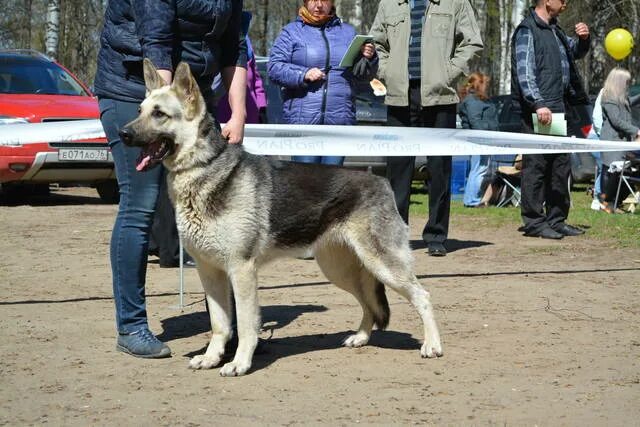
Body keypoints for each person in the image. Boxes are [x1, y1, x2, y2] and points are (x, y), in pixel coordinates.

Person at [94, 0, 248, 358]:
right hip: (136, 88)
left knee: (216, 207)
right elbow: (157, 41)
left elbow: (233, 45)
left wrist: (238, 112)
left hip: (191, 94)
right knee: (141, 201)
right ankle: (131, 326)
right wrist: (159, 124)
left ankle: (227, 328)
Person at [370, 0, 483, 256]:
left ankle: (436, 235)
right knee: (398, 171)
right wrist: (387, 71)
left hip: (440, 96)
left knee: (439, 169)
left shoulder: (455, 3)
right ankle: (395, 237)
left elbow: (473, 42)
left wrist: (448, 73)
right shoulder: (389, 4)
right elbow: (376, 44)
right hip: (399, 96)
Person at [511, 0, 590, 240]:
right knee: (536, 166)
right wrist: (537, 102)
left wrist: (584, 40)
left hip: (559, 106)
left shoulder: (556, 30)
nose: (566, 3)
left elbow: (574, 53)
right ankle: (535, 221)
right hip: (541, 109)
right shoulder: (527, 30)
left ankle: (556, 219)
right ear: (547, 1)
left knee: (559, 166)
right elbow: (524, 71)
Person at [267, 0, 377, 166]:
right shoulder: (291, 32)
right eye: (313, 0)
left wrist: (368, 58)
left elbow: (363, 76)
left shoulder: (348, 33)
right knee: (306, 185)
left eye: (324, 0)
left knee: (333, 185)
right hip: (304, 124)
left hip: (340, 123)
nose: (318, 5)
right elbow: (274, 69)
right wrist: (303, 74)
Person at [599, 68, 640, 213]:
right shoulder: (609, 97)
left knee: (622, 174)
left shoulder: (622, 97)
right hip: (612, 141)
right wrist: (637, 131)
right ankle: (606, 202)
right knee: (612, 173)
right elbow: (616, 121)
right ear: (618, 82)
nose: (628, 85)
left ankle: (613, 202)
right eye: (626, 82)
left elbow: (632, 101)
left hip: (622, 142)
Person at [217, 11, 268, 125]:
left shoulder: (244, 37)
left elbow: (255, 77)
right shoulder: (215, 34)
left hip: (251, 113)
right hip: (224, 112)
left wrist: (262, 106)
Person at [458, 72, 498, 207]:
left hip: (483, 139)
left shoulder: (476, 100)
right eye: (485, 83)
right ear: (479, 84)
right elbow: (475, 122)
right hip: (479, 140)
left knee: (479, 169)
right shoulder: (472, 101)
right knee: (478, 169)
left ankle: (472, 199)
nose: (487, 86)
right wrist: (488, 133)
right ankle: (471, 201)